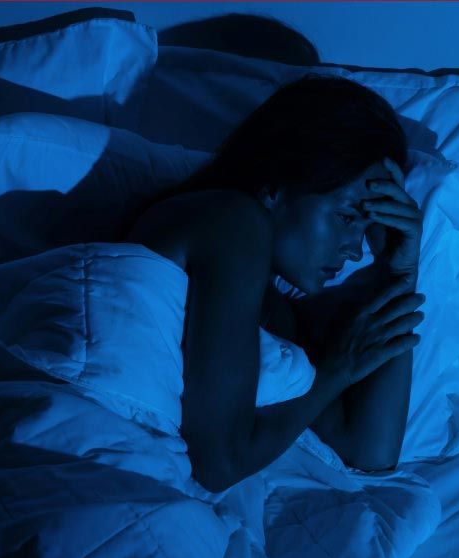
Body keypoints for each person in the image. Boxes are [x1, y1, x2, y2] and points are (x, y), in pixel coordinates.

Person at [123, 73, 426, 493]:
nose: (356, 250)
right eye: (347, 217)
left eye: (367, 228)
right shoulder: (232, 221)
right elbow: (218, 466)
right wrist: (337, 371)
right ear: (275, 185)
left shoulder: (273, 311)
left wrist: (397, 272)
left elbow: (368, 454)